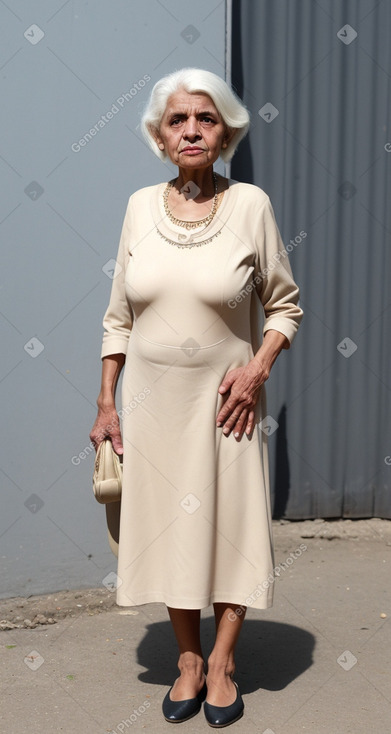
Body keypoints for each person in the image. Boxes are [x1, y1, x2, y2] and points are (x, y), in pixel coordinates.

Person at [90, 67, 303, 728]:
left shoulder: (251, 206)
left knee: (229, 526)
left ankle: (222, 664)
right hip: (153, 406)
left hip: (226, 407)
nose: (190, 130)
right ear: (160, 135)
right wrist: (106, 403)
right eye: (177, 120)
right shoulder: (136, 208)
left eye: (204, 119)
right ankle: (187, 658)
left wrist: (258, 366)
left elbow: (285, 308)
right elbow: (117, 317)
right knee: (168, 528)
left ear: (224, 132)